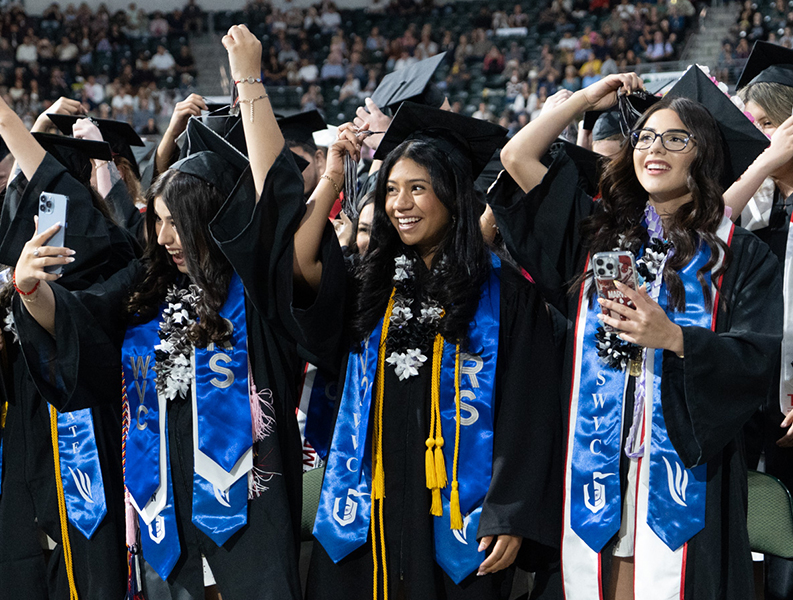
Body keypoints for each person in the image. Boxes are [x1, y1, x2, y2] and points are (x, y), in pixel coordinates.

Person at [11, 25, 305, 600]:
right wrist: (31, 291)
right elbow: (82, 318)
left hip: (250, 514)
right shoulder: (148, 290)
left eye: (180, 223)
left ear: (214, 223)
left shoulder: (255, 293)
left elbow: (276, 207)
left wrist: (248, 80)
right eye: (160, 221)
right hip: (164, 521)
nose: (166, 237)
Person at [491, 70, 781, 599]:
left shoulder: (738, 257)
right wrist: (584, 100)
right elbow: (517, 157)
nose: (655, 148)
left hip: (684, 472)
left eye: (675, 139)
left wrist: (676, 338)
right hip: (593, 461)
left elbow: (756, 360)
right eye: (645, 137)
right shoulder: (597, 236)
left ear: (704, 155)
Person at [290, 103, 563, 599]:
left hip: (459, 511)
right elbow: (300, 262)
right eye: (391, 190)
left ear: (453, 196)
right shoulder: (369, 284)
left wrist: (510, 513)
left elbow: (529, 410)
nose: (401, 204)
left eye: (417, 188)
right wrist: (331, 176)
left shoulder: (505, 295)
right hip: (366, 501)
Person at [0, 97, 136, 599]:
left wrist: (13, 124)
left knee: (84, 556)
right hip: (27, 423)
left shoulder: (113, 251)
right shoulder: (22, 260)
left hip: (80, 424)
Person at [724, 41, 793, 600]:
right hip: (754, 403)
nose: (757, 137)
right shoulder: (757, 202)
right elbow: (703, 231)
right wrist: (765, 163)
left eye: (766, 124)